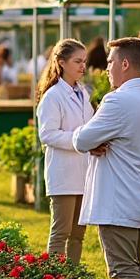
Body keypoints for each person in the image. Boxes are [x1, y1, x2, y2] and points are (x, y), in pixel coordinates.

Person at [73, 37, 140, 279]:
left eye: (110, 63)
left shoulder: (118, 100)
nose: (106, 68)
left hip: (119, 200)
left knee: (123, 271)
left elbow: (81, 140)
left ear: (124, 64)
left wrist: (91, 140)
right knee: (133, 266)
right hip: (138, 195)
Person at [36, 39, 94, 265]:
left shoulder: (82, 93)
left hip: (83, 172)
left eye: (84, 61)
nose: (83, 66)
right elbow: (47, 134)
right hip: (63, 173)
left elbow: (88, 127)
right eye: (78, 61)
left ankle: (73, 277)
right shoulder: (52, 96)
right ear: (61, 63)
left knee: (79, 234)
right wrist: (80, 140)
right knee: (61, 232)